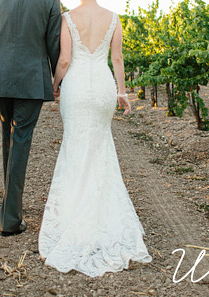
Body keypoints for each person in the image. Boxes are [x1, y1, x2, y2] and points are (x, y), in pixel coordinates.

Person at [38, 0, 152, 277]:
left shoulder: (68, 18)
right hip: (102, 86)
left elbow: (64, 60)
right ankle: (103, 213)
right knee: (101, 147)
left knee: (76, 146)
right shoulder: (114, 18)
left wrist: (54, 85)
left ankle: (73, 212)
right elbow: (117, 59)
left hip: (76, 88)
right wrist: (122, 92)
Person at [0, 0, 62, 237]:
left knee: (9, 139)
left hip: (0, 77)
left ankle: (9, 209)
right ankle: (10, 219)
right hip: (32, 79)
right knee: (19, 141)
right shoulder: (50, 1)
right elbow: (54, 42)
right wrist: (58, 80)